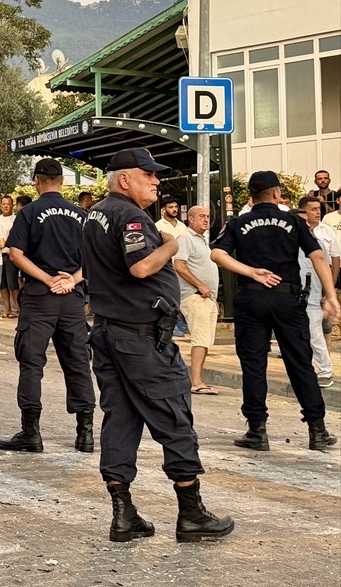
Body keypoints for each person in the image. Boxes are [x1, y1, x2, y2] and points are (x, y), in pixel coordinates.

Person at [82, 148, 233, 543]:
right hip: (141, 337)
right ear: (124, 179)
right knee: (174, 415)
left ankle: (124, 514)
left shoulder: (96, 213)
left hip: (110, 332)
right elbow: (140, 267)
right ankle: (192, 513)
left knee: (121, 417)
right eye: (147, 174)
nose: (155, 180)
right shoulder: (131, 216)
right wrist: (170, 242)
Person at [210, 172, 339, 451]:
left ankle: (257, 431)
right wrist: (331, 295)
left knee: (254, 365)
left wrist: (251, 272)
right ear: (277, 193)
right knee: (300, 364)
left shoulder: (238, 222)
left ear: (251, 196)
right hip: (287, 299)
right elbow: (318, 256)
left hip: (251, 298)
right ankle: (317, 430)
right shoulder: (294, 220)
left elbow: (217, 254)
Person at [0, 159, 95, 454]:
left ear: (37, 181)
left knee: (31, 364)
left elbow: (16, 254)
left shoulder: (28, 212)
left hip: (40, 297)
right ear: (62, 182)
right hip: (72, 299)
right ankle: (86, 433)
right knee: (78, 363)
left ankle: (31, 432)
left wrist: (47, 279)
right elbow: (95, 258)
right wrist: (71, 282)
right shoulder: (81, 214)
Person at [172, 205, 221, 396]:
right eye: (201, 216)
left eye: (208, 216)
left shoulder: (202, 240)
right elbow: (179, 265)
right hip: (195, 295)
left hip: (206, 297)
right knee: (200, 339)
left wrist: (212, 297)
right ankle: (196, 382)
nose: (206, 219)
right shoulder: (185, 237)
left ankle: (198, 380)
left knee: (206, 340)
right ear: (190, 219)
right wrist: (200, 286)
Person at [297, 196, 339, 384]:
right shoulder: (290, 240)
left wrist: (328, 293)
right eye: (312, 209)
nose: (317, 212)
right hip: (293, 294)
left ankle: (325, 371)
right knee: (300, 335)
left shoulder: (321, 238)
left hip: (312, 294)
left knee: (315, 333)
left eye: (318, 208)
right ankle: (307, 369)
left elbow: (329, 265)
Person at [0, 195, 20, 319]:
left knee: (13, 283)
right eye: (3, 204)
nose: (5, 206)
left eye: (8, 204)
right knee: (2, 284)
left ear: (12, 205)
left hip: (11, 254)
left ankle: (17, 308)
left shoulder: (16, 219)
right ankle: (7, 308)